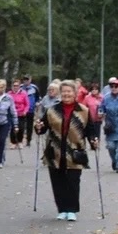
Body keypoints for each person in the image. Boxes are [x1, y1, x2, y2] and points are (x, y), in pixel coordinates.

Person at [33, 80, 99, 221]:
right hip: (55, 151)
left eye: (69, 91)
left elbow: (90, 131)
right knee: (58, 182)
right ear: (60, 93)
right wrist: (38, 127)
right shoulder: (52, 110)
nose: (66, 94)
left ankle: (72, 210)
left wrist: (94, 140)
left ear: (75, 93)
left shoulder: (84, 111)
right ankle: (62, 209)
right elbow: (42, 128)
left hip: (75, 152)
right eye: (64, 92)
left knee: (73, 182)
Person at [9, 80, 29, 148]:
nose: (15, 87)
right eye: (14, 86)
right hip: (12, 113)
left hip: (21, 113)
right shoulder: (9, 93)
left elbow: (27, 104)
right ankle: (13, 142)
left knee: (21, 128)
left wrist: (25, 111)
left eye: (17, 86)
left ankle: (20, 141)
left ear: (19, 86)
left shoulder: (23, 93)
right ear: (12, 86)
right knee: (13, 128)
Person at [20, 76, 39, 145]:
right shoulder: (20, 87)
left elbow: (37, 97)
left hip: (31, 109)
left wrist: (36, 104)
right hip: (22, 110)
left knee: (29, 126)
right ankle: (20, 139)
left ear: (30, 80)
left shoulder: (34, 88)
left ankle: (28, 140)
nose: (26, 81)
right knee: (21, 125)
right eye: (24, 80)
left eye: (27, 80)